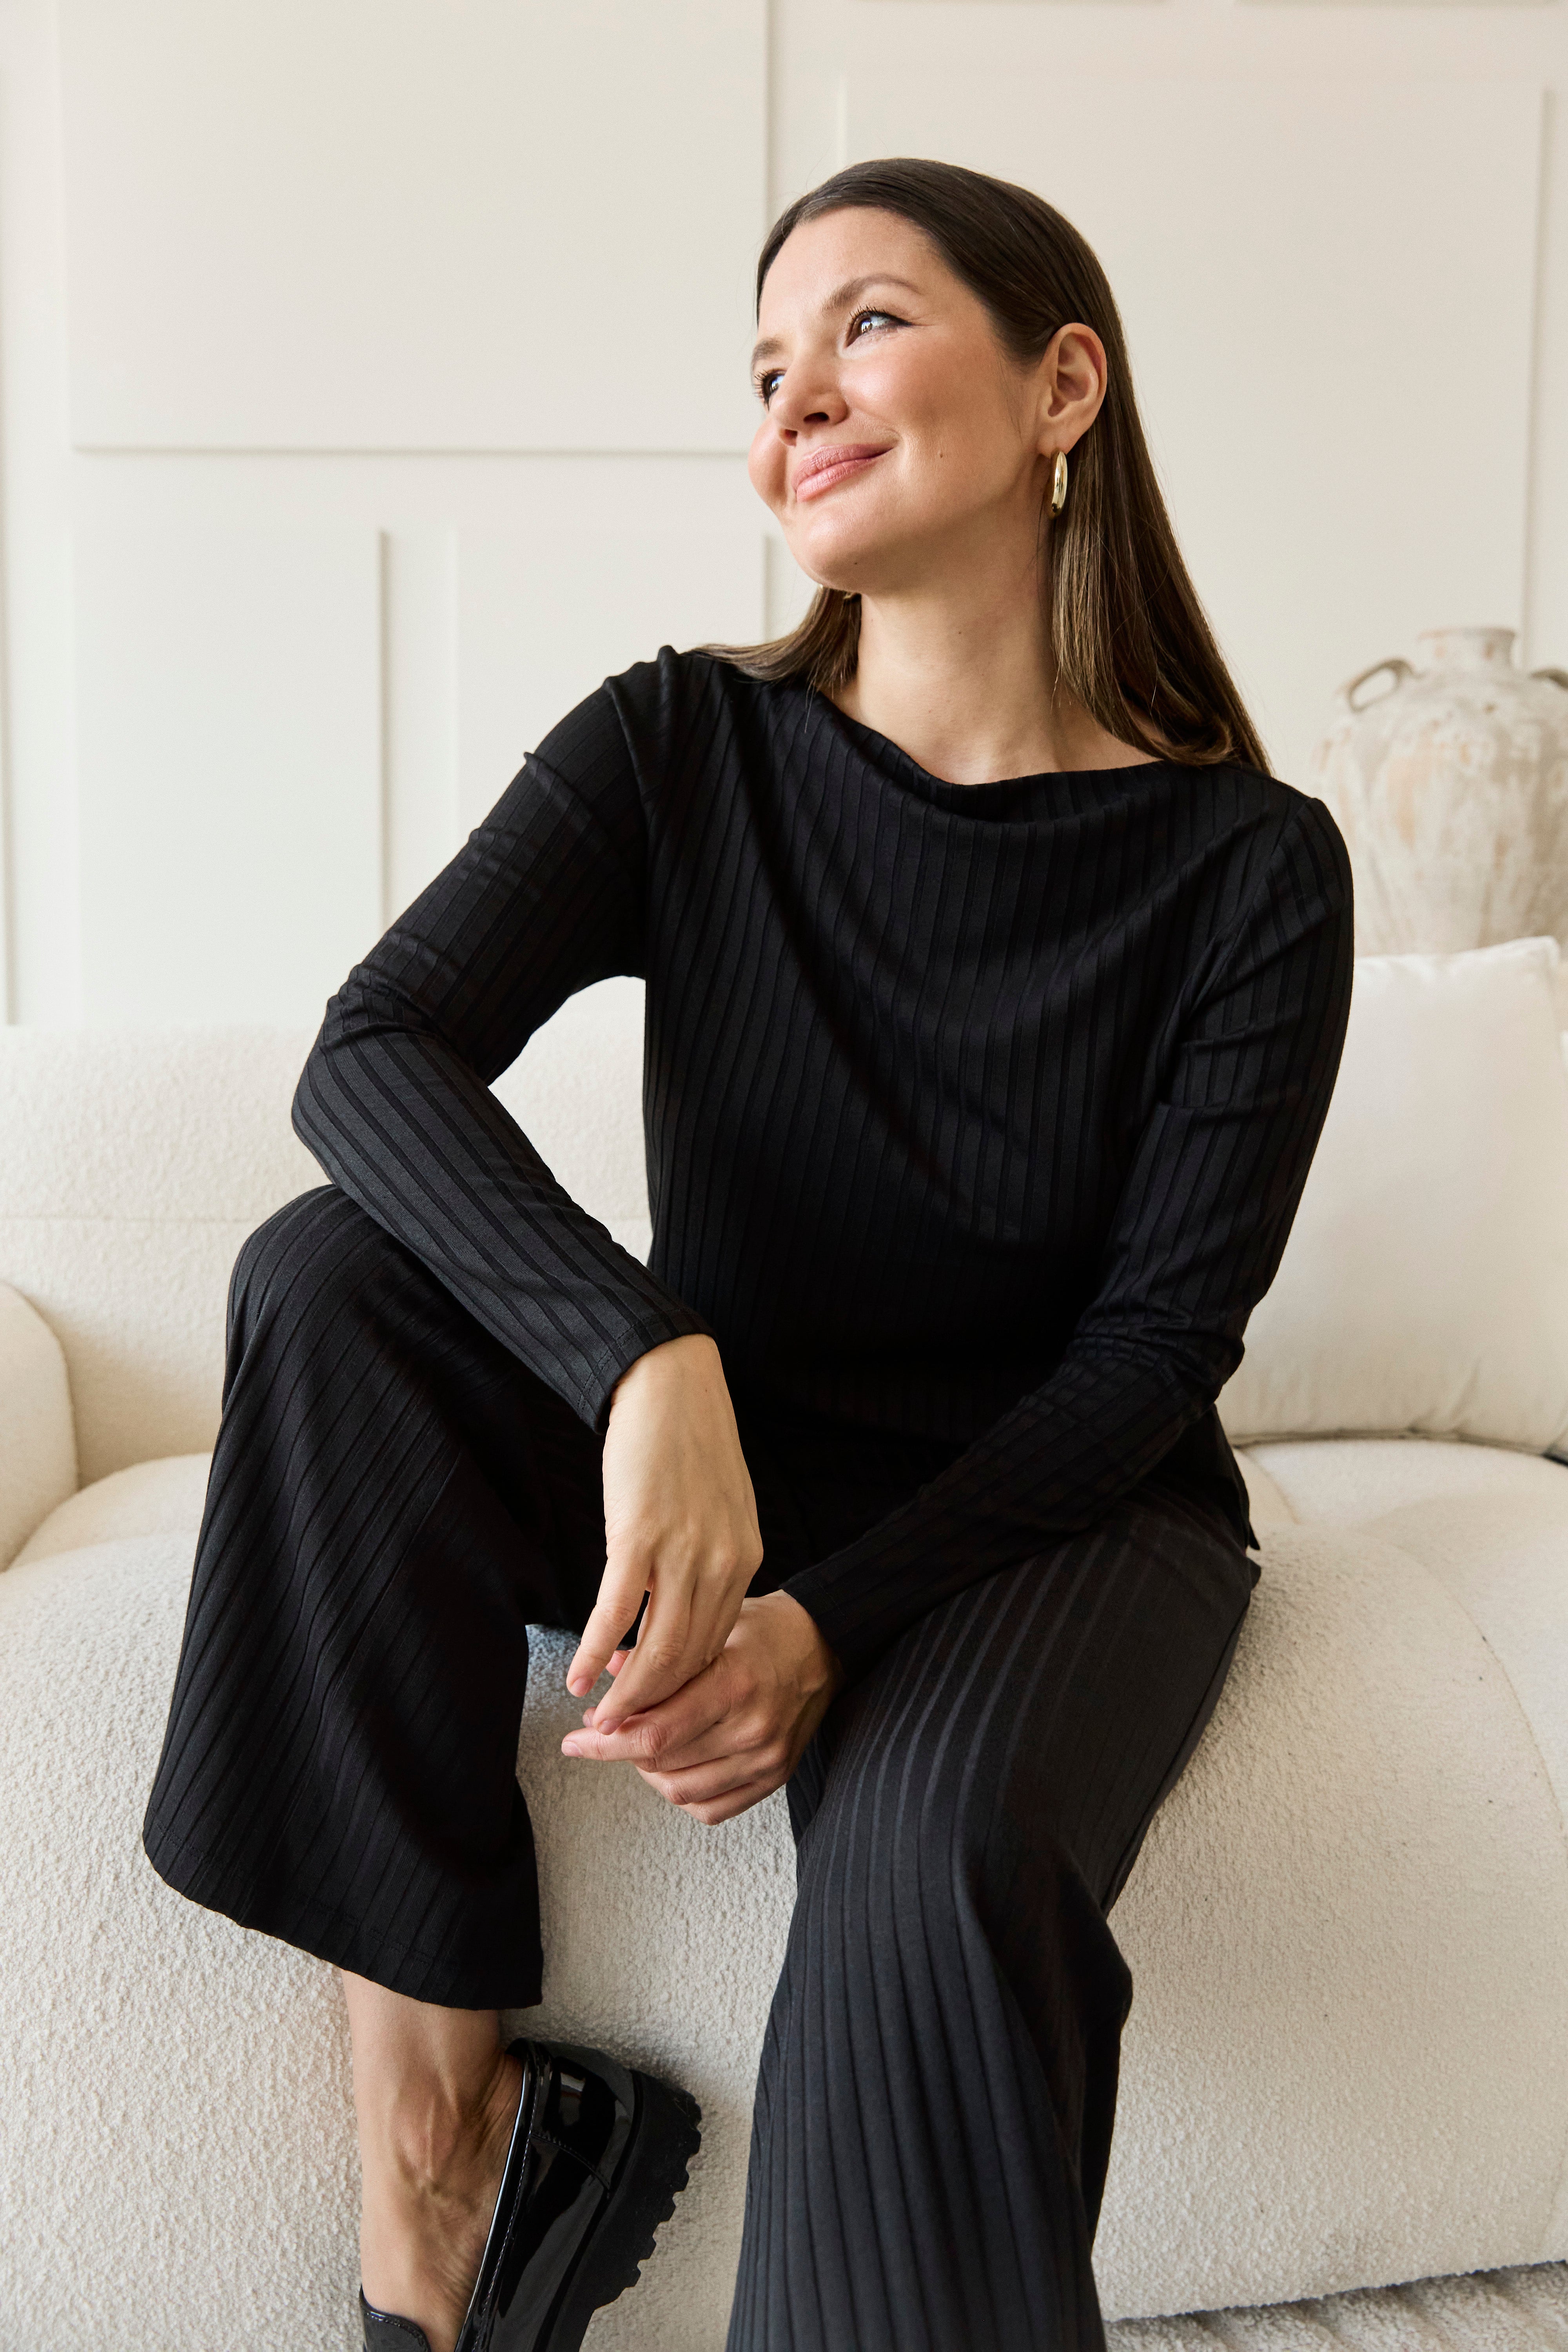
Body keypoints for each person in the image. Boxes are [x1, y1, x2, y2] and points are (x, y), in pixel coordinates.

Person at [142, 156, 1354, 2352]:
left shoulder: (1249, 868)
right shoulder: (682, 746)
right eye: (769, 364)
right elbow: (369, 1053)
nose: (800, 392)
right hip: (727, 1449)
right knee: (325, 1282)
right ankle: (449, 2181)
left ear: (1062, 380)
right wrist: (636, 1357)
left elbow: (1156, 1355)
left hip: (1055, 1520)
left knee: (925, 1867)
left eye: (870, 326)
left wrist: (828, 1624)